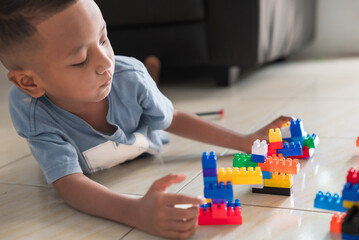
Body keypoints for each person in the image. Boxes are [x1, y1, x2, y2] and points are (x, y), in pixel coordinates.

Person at [0, 0, 292, 239]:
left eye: (104, 39)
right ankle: (153, 75)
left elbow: (172, 118)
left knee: (136, 82)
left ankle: (151, 75)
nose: (104, 63)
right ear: (29, 82)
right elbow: (69, 183)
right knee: (135, 83)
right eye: (80, 60)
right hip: (122, 109)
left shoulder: (126, 77)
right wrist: (134, 211)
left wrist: (244, 141)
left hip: (140, 120)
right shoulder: (32, 111)